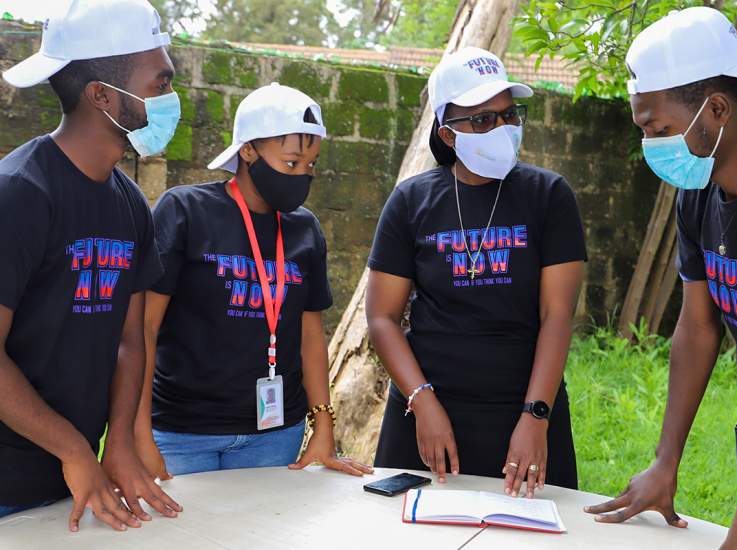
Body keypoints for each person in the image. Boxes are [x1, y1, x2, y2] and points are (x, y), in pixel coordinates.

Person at [584, 8, 737, 550]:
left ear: (717, 109)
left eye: (659, 128)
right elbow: (697, 330)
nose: (651, 144)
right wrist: (665, 462)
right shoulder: (696, 195)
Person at [366, 47, 587, 499]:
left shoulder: (549, 196)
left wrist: (535, 416)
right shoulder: (411, 202)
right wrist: (423, 404)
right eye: (483, 120)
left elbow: (558, 315)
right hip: (425, 412)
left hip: (524, 412)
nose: (503, 129)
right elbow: (382, 319)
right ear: (448, 135)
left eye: (509, 115)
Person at [0, 0, 183, 532]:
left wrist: (119, 441)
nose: (171, 99)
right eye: (160, 83)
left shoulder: (130, 204)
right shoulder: (20, 193)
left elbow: (130, 340)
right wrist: (76, 449)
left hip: (73, 480)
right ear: (101, 95)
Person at [135, 83, 373, 479]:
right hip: (181, 433)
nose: (303, 175)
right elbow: (144, 327)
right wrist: (137, 433)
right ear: (248, 151)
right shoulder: (186, 211)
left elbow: (311, 335)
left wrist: (323, 426)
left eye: (311, 165)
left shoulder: (305, 229)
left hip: (275, 434)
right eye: (292, 163)